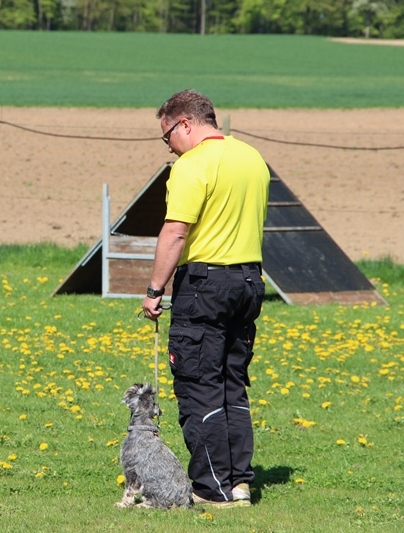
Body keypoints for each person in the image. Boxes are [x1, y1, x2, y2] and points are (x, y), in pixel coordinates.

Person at [141, 89, 269, 508]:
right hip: (250, 281)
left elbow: (176, 232)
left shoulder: (193, 165)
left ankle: (211, 489)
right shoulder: (252, 157)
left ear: (185, 124)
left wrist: (155, 290)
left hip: (206, 284)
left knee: (199, 386)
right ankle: (238, 484)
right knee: (233, 385)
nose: (170, 148)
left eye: (167, 138)